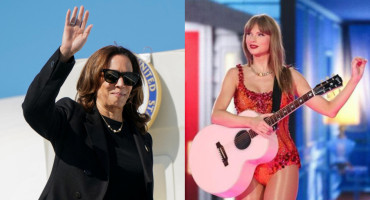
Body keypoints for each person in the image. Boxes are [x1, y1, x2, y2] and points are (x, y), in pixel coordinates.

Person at [211, 14, 367, 200]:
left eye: (260, 34)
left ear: (273, 39)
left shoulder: (289, 76)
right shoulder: (235, 74)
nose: (252, 39)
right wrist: (251, 121)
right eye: (248, 34)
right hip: (245, 162)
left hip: (282, 160)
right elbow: (217, 115)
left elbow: (329, 109)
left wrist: (354, 80)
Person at [22, 6, 154, 200]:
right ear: (94, 79)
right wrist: (64, 55)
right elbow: (34, 109)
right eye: (111, 76)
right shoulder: (72, 119)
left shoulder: (142, 139)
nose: (120, 84)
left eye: (129, 78)